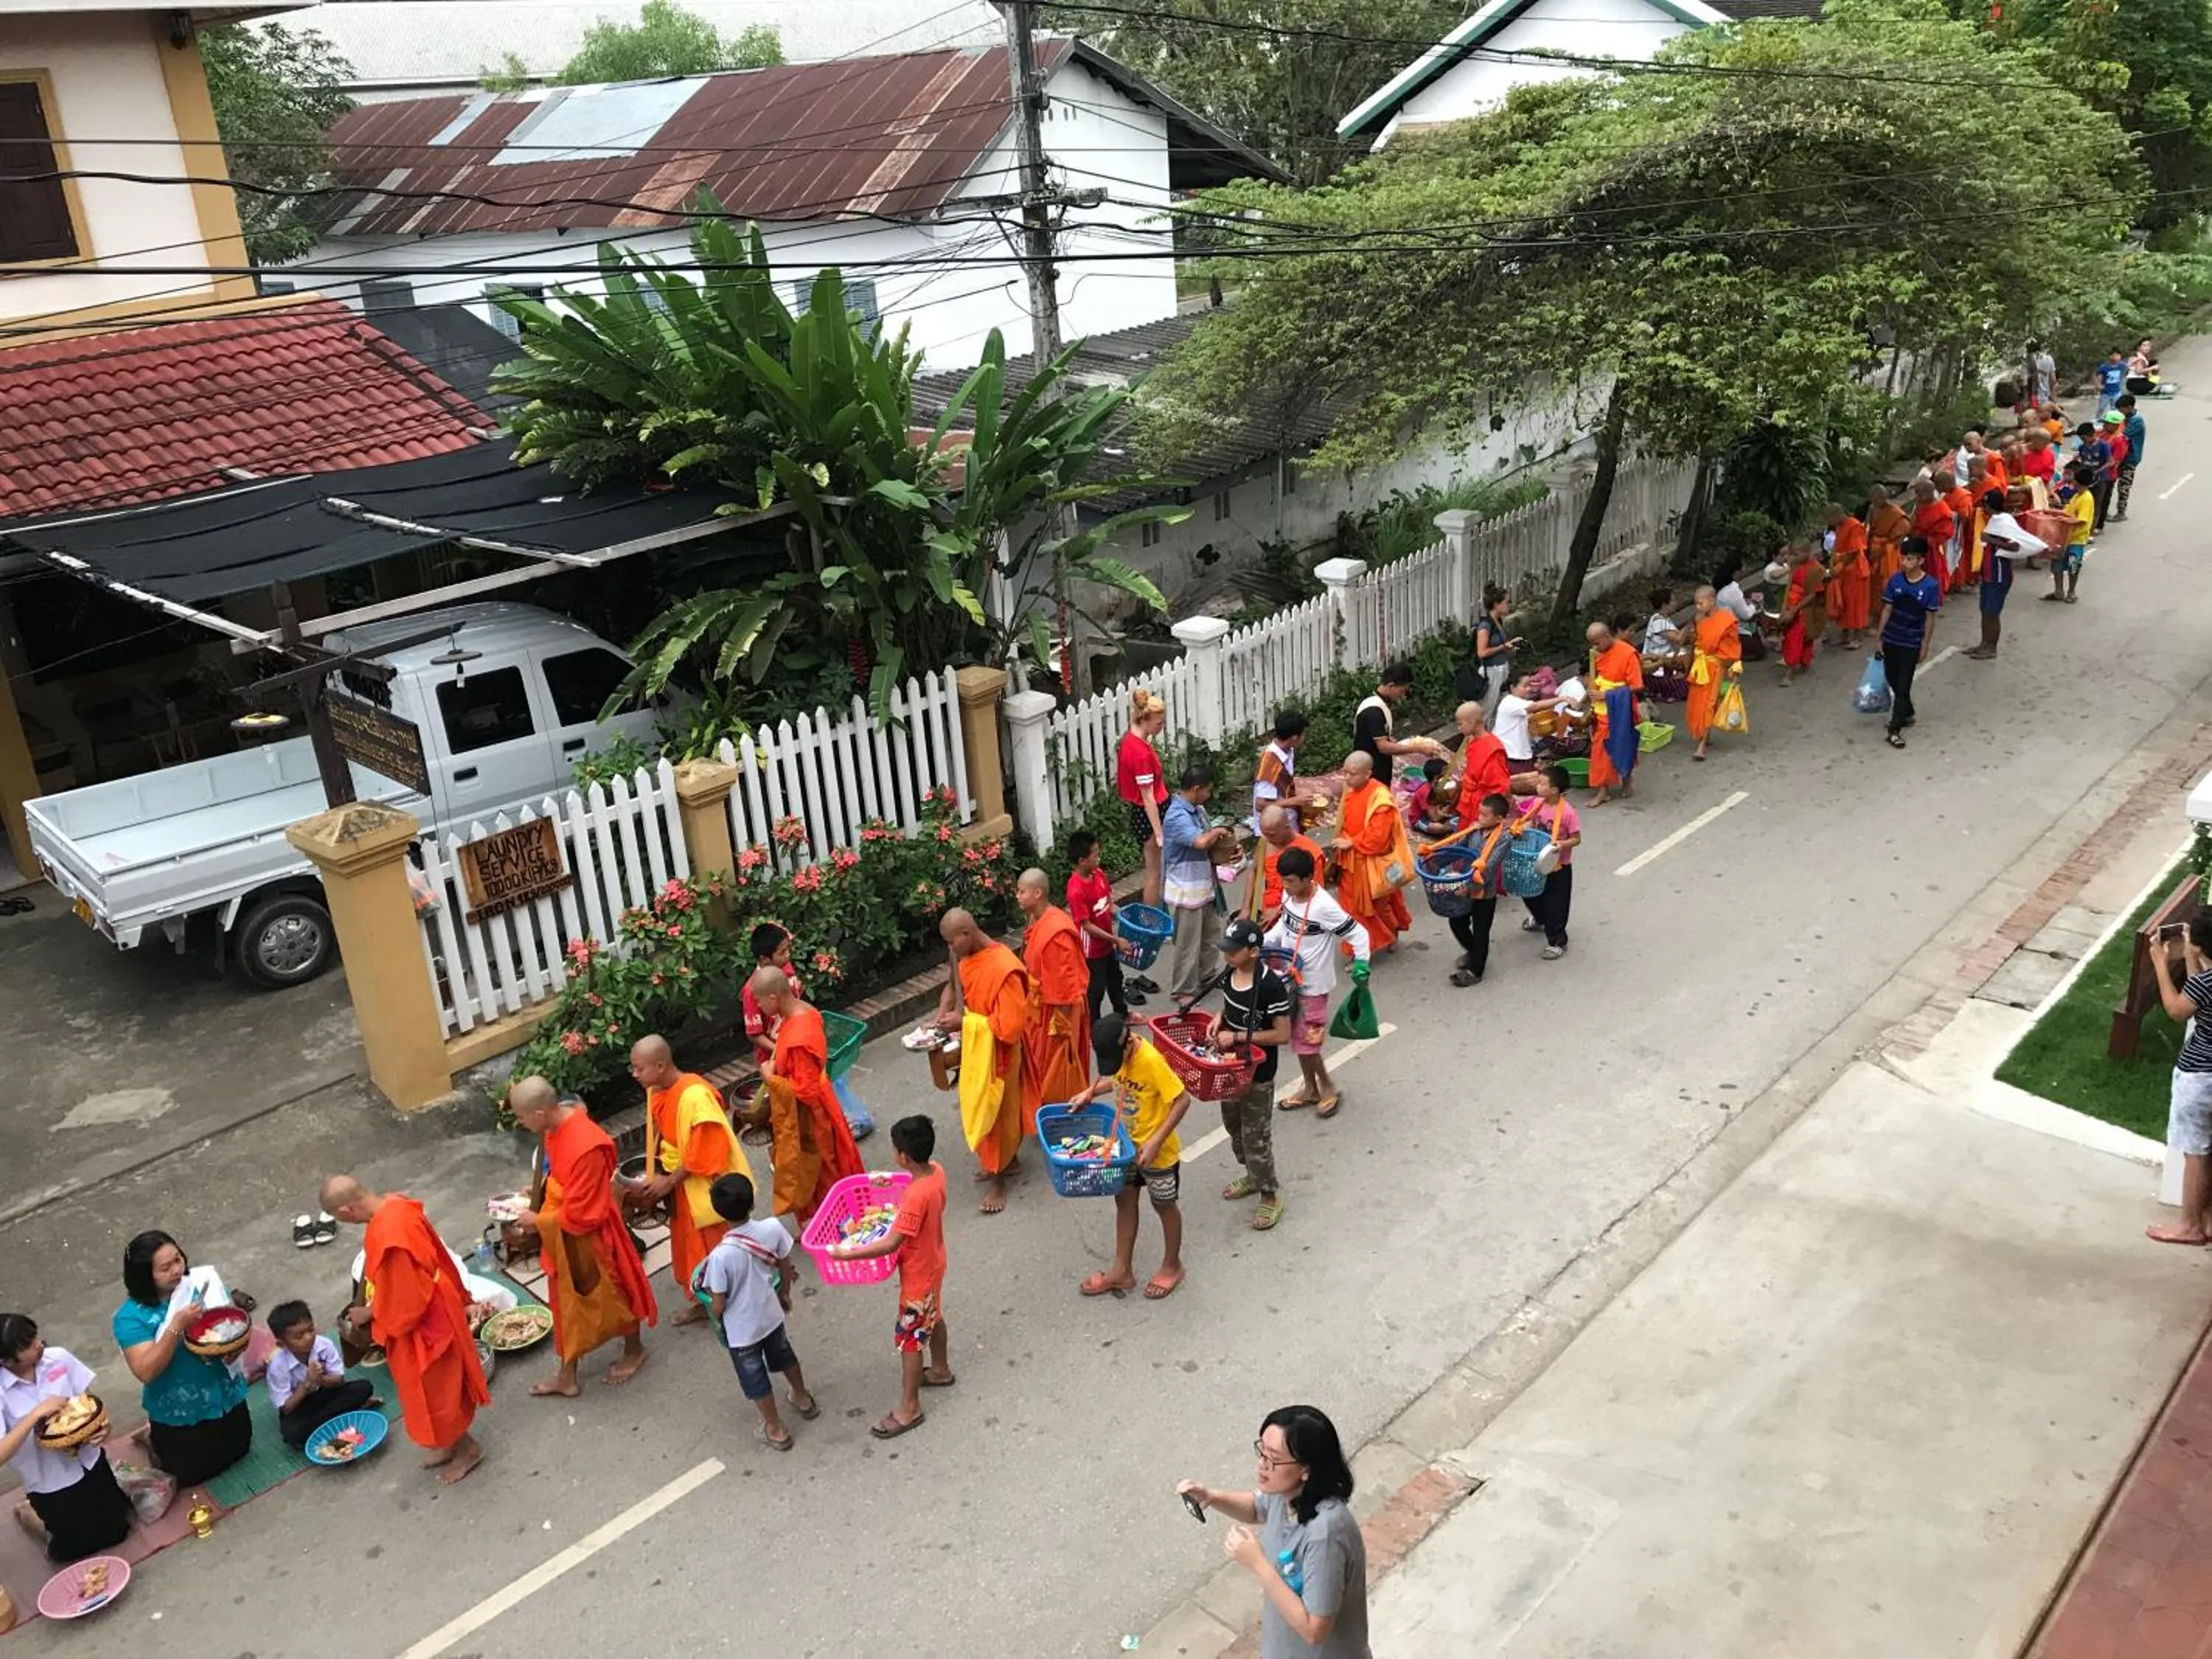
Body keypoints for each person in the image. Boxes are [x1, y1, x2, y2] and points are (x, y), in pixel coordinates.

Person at [320, 1176, 490, 1484]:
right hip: (430, 1301)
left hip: (426, 1319)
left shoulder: (390, 1234)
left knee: (438, 1390)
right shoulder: (395, 1204)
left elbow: (407, 1301)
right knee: (428, 1388)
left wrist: (371, 1314)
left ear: (346, 1211)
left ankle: (467, 1448)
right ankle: (449, 1442)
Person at [1177, 1405, 1372, 1659]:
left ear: (1307, 1470)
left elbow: (1316, 1631)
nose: (1263, 1465)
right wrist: (1212, 1497)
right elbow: (1258, 1510)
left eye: (1274, 1459)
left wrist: (1259, 1564)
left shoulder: (1326, 1535)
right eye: (1262, 1452)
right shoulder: (1285, 1494)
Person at [503, 1079, 655, 1397]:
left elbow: (585, 1213)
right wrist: (541, 1192)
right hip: (565, 1231)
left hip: (590, 1234)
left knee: (613, 1292)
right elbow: (563, 1179)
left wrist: (539, 1221)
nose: (521, 1123)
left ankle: (634, 1350)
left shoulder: (586, 1145)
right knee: (566, 1305)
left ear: (541, 1112)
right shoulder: (555, 1128)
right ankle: (567, 1375)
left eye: (522, 1116)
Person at [828, 1116, 951, 1439]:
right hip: (935, 1261)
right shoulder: (936, 1171)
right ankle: (940, 1369)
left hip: (917, 1273)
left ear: (904, 1156)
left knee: (911, 1337)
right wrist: (891, 1180)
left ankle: (910, 1408)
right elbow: (915, 1187)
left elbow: (892, 1242)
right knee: (933, 1314)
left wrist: (847, 1253)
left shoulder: (914, 1198)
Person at [113, 1231, 251, 1486]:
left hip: (225, 1396)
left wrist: (237, 1345)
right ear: (144, 1275)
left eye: (178, 1259)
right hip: (181, 1411)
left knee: (240, 1452)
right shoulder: (130, 1318)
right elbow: (146, 1371)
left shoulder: (201, 1282)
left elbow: (232, 1321)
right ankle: (153, 1440)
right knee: (193, 1475)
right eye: (166, 1268)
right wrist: (177, 1325)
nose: (177, 1270)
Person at [629, 1034, 745, 1326]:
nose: (635, 1075)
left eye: (639, 1068)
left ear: (659, 1066)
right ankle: (702, 1300)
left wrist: (669, 1182)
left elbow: (706, 1150)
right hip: (680, 1184)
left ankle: (731, 1302)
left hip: (704, 1187)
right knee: (688, 1248)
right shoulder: (658, 1091)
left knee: (716, 1248)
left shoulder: (695, 1095)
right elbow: (665, 1136)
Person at [1073, 1013, 1191, 1301]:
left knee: (1164, 1205)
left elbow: (1182, 1099)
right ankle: (1121, 1270)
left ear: (1128, 1043)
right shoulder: (1120, 1059)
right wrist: (1091, 1092)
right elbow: (1119, 1082)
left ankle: (1172, 1265)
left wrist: (1155, 1142)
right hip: (1126, 1147)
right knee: (1124, 1200)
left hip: (1158, 1153)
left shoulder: (1150, 1061)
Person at [698, 1172, 816, 1453]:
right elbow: (785, 1266)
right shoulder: (772, 1228)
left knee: (755, 1377)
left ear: (718, 1212)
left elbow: (718, 1303)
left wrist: (717, 1318)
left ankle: (775, 1428)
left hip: (742, 1332)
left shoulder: (719, 1257)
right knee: (785, 1356)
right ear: (752, 1203)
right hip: (770, 1314)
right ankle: (802, 1398)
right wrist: (785, 1294)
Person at [0, 1315, 133, 1562]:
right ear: (6, 1361)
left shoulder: (57, 1358)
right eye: (28, 1345)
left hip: (89, 1461)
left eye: (35, 1336)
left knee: (118, 1530)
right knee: (72, 1550)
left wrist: (103, 1427)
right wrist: (34, 1416)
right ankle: (30, 1515)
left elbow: (88, 1403)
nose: (39, 1344)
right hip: (49, 1481)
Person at [749, 967, 866, 1228]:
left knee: (819, 1167)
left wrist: (771, 1080)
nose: (758, 1006)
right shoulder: (806, 1012)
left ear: (774, 998)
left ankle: (831, 1223)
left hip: (811, 1115)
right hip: (817, 1101)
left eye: (759, 1000)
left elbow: (805, 1091)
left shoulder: (799, 1037)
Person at [933, 908, 1032, 1214]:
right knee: (994, 1114)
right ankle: (1008, 1162)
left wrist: (964, 1023)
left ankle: (997, 1180)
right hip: (979, 1047)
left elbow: (1010, 1026)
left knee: (995, 1118)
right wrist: (941, 1016)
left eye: (952, 942)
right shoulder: (965, 955)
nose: (950, 948)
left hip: (1000, 1053)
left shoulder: (1005, 969)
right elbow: (953, 982)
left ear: (966, 934)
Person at [1265, 847, 1369, 1119]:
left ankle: (1328, 1087)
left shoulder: (1324, 907)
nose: (1286, 887)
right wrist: (1260, 942)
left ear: (1308, 878)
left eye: (1290, 881)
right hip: (1289, 982)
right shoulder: (1290, 895)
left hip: (1313, 987)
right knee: (1299, 1041)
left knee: (1308, 1043)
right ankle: (1311, 1088)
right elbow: (1284, 928)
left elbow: (1359, 934)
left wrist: (1361, 964)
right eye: (1284, 881)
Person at [1213, 919, 1294, 1230]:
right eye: (1226, 950)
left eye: (1234, 951)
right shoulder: (1230, 974)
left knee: (1256, 1135)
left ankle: (1269, 1194)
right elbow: (1229, 1008)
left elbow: (1282, 1035)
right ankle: (1251, 1174)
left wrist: (1237, 1038)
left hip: (1258, 1073)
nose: (1227, 956)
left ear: (1253, 951)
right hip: (1231, 1068)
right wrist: (1218, 1020)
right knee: (1233, 1125)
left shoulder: (1270, 986)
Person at [2146, 911, 2212, 1245]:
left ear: (2201, 945)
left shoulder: (2205, 983)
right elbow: (2199, 993)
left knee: (2196, 1151)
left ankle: (2190, 1226)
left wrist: (2160, 961)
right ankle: (2209, 1220)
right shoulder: (2205, 981)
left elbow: (2176, 1009)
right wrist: (2192, 956)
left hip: (2200, 1076)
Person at [1018, 866, 1093, 1116]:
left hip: (1057, 1015)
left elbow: (1066, 984)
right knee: (1038, 1065)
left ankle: (1062, 1111)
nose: (1017, 896)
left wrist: (1061, 1028)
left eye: (1022, 892)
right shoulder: (1037, 919)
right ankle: (1045, 1109)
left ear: (1038, 893)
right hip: (1039, 1008)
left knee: (1058, 1066)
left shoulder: (1057, 932)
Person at [1160, 765, 1233, 1001]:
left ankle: (1206, 976)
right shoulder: (1176, 816)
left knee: (1210, 936)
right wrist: (1218, 831)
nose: (1209, 796)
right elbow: (1201, 841)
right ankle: (1183, 989)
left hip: (1204, 885)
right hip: (1186, 889)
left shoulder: (1197, 810)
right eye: (1207, 791)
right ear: (1196, 788)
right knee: (1187, 944)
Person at [264, 1301, 378, 1450]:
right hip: (300, 1404)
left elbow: (339, 1380)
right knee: (291, 1432)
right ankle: (340, 1417)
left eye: (310, 1330)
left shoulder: (324, 1345)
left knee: (364, 1387)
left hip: (326, 1392)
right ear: (282, 1344)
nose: (308, 1338)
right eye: (299, 1337)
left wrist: (320, 1379)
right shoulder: (277, 1367)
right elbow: (286, 1408)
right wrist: (307, 1383)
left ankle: (322, 1425)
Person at [1330, 751, 1413, 953]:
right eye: (1345, 773)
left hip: (1371, 863)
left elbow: (1378, 839)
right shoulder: (1350, 790)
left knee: (1377, 905)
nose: (1347, 778)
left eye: (1352, 774)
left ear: (1368, 774)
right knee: (1352, 909)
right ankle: (1358, 950)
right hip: (1350, 861)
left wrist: (1351, 843)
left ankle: (1389, 932)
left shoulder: (1380, 798)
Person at [1066, 830, 1141, 1021]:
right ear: (1082, 861)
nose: (1099, 858)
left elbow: (1108, 904)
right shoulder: (1076, 890)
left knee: (1115, 980)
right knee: (1095, 990)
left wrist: (1125, 918)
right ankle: (1093, 1028)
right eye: (1095, 855)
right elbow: (1086, 925)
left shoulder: (1098, 875)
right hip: (1091, 950)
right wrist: (1116, 939)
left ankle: (1123, 1015)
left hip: (1107, 942)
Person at [1874, 537, 1941, 751]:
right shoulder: (1895, 582)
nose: (1905, 562)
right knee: (1892, 679)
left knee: (1903, 686)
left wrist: (1925, 645)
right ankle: (1908, 712)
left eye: (1910, 559)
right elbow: (1887, 609)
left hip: (1911, 642)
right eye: (1904, 558)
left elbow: (1930, 618)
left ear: (1921, 561)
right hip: (1892, 639)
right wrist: (1879, 636)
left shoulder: (1931, 586)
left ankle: (1894, 729)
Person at [1446, 794, 1514, 989]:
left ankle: (1476, 970)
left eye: (1485, 815)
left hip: (1485, 893)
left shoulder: (1503, 838)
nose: (1480, 818)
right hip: (1466, 884)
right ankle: (1473, 951)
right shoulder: (1475, 831)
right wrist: (1437, 854)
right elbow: (1459, 847)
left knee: (1481, 930)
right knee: (1457, 921)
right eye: (1480, 813)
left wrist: (1468, 888)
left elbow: (1489, 868)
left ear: (1498, 819)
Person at [1116, 688, 1170, 928]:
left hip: (1147, 810)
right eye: (1159, 723)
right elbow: (1148, 797)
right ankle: (1151, 922)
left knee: (1155, 869)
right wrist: (1159, 832)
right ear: (1145, 720)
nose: (1161, 727)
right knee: (1153, 872)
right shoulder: (1139, 754)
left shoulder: (1133, 738)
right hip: (1151, 813)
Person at [1968, 486, 2042, 659]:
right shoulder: (1995, 520)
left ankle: (1991, 648)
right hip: (1989, 573)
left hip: (1999, 575)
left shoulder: (2004, 522)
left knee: (1992, 613)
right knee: (1985, 611)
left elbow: (2015, 545)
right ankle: (1983, 644)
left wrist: (1991, 540)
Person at [1514, 765, 1581, 957]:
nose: (1538, 786)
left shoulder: (1568, 813)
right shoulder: (1537, 804)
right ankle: (1540, 918)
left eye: (1542, 784)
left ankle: (1557, 941)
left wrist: (1562, 844)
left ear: (1555, 790)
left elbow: (1577, 838)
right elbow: (1529, 821)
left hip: (1559, 866)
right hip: (1537, 860)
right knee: (1530, 892)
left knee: (1556, 904)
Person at [1352, 662, 1444, 787]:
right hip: (1371, 772)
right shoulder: (1373, 711)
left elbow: (1373, 736)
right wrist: (1417, 748)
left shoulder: (1378, 703)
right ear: (1391, 686)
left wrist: (1390, 739)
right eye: (1402, 690)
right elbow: (1383, 747)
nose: (1403, 695)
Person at [1584, 620, 1644, 806]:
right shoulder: (1597, 654)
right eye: (1592, 644)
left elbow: (1637, 686)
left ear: (1607, 636)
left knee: (1624, 744)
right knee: (1601, 749)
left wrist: (1607, 695)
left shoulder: (1627, 653)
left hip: (1621, 708)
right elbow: (1598, 678)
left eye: (1597, 643)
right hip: (1602, 710)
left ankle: (1627, 779)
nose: (1595, 648)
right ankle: (1603, 790)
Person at [1680, 585, 1742, 763]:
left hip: (1715, 667)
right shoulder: (1699, 619)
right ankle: (1704, 734)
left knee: (1709, 703)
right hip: (1699, 667)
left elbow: (1733, 647)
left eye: (1701, 603)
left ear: (1712, 601)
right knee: (1696, 703)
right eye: (1696, 604)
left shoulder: (1726, 621)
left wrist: (1735, 668)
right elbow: (1691, 642)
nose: (1698, 607)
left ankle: (1702, 744)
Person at [1252, 709, 1329, 834]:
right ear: (1294, 738)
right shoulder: (1270, 765)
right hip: (1273, 829)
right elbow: (1260, 805)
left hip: (1286, 819)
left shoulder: (1288, 751)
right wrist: (1295, 801)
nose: (1305, 738)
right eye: (1303, 734)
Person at [1257, 805, 1324, 931]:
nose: (1267, 840)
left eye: (1271, 835)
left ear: (1286, 828)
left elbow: (1314, 896)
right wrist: (1246, 909)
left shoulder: (1310, 853)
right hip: (1267, 916)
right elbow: (1254, 872)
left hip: (1297, 921)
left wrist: (1280, 910)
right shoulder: (1265, 841)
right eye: (1264, 834)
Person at [1449, 701, 1512, 829]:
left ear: (1472, 722)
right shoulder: (1473, 740)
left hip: (1481, 806)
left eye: (1460, 724)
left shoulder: (1493, 749)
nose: (1459, 728)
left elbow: (1500, 787)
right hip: (1469, 800)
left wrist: (1486, 817)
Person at [2045, 460, 2097, 605]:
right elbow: (2067, 511)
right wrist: (2055, 512)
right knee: (2057, 564)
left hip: (2076, 539)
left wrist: (2064, 520)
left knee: (2073, 566)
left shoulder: (2086, 498)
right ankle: (2059, 591)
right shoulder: (2077, 496)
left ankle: (2071, 592)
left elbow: (2082, 520)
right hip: (2064, 537)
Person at [1490, 672, 1560, 772]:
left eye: (1530, 685)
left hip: (1516, 753)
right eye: (1524, 686)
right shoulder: (1510, 702)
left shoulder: (1518, 704)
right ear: (1512, 688)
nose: (1529, 689)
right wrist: (1561, 699)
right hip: (1509, 755)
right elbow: (1535, 706)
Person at [1777, 543, 1826, 686]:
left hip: (1805, 609)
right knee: (1795, 638)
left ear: (1807, 552)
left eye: (1795, 555)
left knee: (1796, 638)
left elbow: (1812, 595)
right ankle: (1804, 661)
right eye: (1791, 554)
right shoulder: (1795, 564)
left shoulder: (1817, 569)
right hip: (1791, 604)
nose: (1792, 558)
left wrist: (1794, 610)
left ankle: (1790, 672)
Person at [1823, 504, 1871, 650]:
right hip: (1843, 570)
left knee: (1856, 604)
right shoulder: (1839, 526)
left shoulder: (1855, 526)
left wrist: (1838, 566)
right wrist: (1832, 564)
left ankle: (1857, 637)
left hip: (1855, 570)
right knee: (1843, 603)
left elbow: (1854, 552)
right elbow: (1837, 547)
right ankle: (1845, 635)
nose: (1829, 523)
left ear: (1836, 515)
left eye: (1829, 519)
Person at [1472, 588, 1520, 721]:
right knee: (1486, 711)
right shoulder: (1486, 626)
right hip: (1492, 672)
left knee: (1498, 710)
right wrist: (1502, 647)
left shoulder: (1498, 622)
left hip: (1501, 670)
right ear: (1496, 604)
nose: (1509, 605)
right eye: (1507, 602)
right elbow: (1481, 652)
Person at [1909, 476, 1957, 594]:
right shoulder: (1920, 505)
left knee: (1933, 575)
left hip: (1933, 550)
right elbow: (1913, 525)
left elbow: (1946, 532)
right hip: (1916, 546)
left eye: (1920, 494)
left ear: (1929, 492)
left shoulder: (1942, 509)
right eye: (1917, 494)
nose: (1918, 497)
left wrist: (1928, 539)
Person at [2096, 409, 2129, 530]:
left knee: (2103, 501)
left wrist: (2099, 468)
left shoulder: (2120, 441)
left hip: (2108, 475)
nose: (2104, 426)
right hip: (2097, 472)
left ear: (2115, 425)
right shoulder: (2103, 434)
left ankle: (2099, 526)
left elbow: (2115, 461)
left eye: (2107, 424)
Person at [2116, 393, 2146, 520]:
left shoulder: (2137, 421)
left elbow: (2122, 435)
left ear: (2129, 407)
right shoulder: (2127, 417)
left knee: (2124, 486)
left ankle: (2121, 512)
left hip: (2130, 457)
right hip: (2122, 456)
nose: (2120, 411)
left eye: (2121, 409)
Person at [1641, 588, 1684, 664]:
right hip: (1656, 665)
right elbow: (1678, 638)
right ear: (1664, 605)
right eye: (1673, 601)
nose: (1676, 603)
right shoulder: (1658, 621)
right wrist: (1693, 622)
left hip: (1664, 660)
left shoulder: (1664, 618)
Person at [2096, 345, 2127, 417]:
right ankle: (2097, 420)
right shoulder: (2105, 367)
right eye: (2114, 356)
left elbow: (2127, 370)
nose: (2116, 358)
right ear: (2110, 357)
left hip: (2116, 392)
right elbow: (2095, 374)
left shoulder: (2122, 366)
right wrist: (2098, 385)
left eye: (2118, 356)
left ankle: (2114, 422)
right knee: (2101, 408)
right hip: (2105, 393)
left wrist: (2122, 378)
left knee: (2115, 409)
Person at [2027, 338, 2056, 407]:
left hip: (2032, 398)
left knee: (2033, 415)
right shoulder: (2049, 359)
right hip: (2045, 397)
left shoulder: (2027, 360)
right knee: (2045, 416)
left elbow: (2024, 381)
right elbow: (2053, 381)